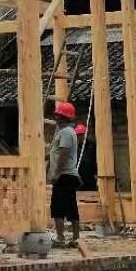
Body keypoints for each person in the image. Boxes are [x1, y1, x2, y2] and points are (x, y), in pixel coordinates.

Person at [48, 101, 81, 247]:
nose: (56, 118)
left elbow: (64, 153)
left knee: (59, 207)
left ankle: (62, 238)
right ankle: (74, 238)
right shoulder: (63, 131)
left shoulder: (66, 132)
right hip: (66, 175)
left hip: (65, 175)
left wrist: (56, 172)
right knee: (68, 206)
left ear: (64, 117)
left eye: (58, 115)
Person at [75, 122, 97, 192]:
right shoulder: (74, 147)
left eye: (82, 134)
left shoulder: (92, 145)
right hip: (79, 178)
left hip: (90, 176)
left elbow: (96, 160)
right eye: (78, 135)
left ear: (85, 134)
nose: (80, 137)